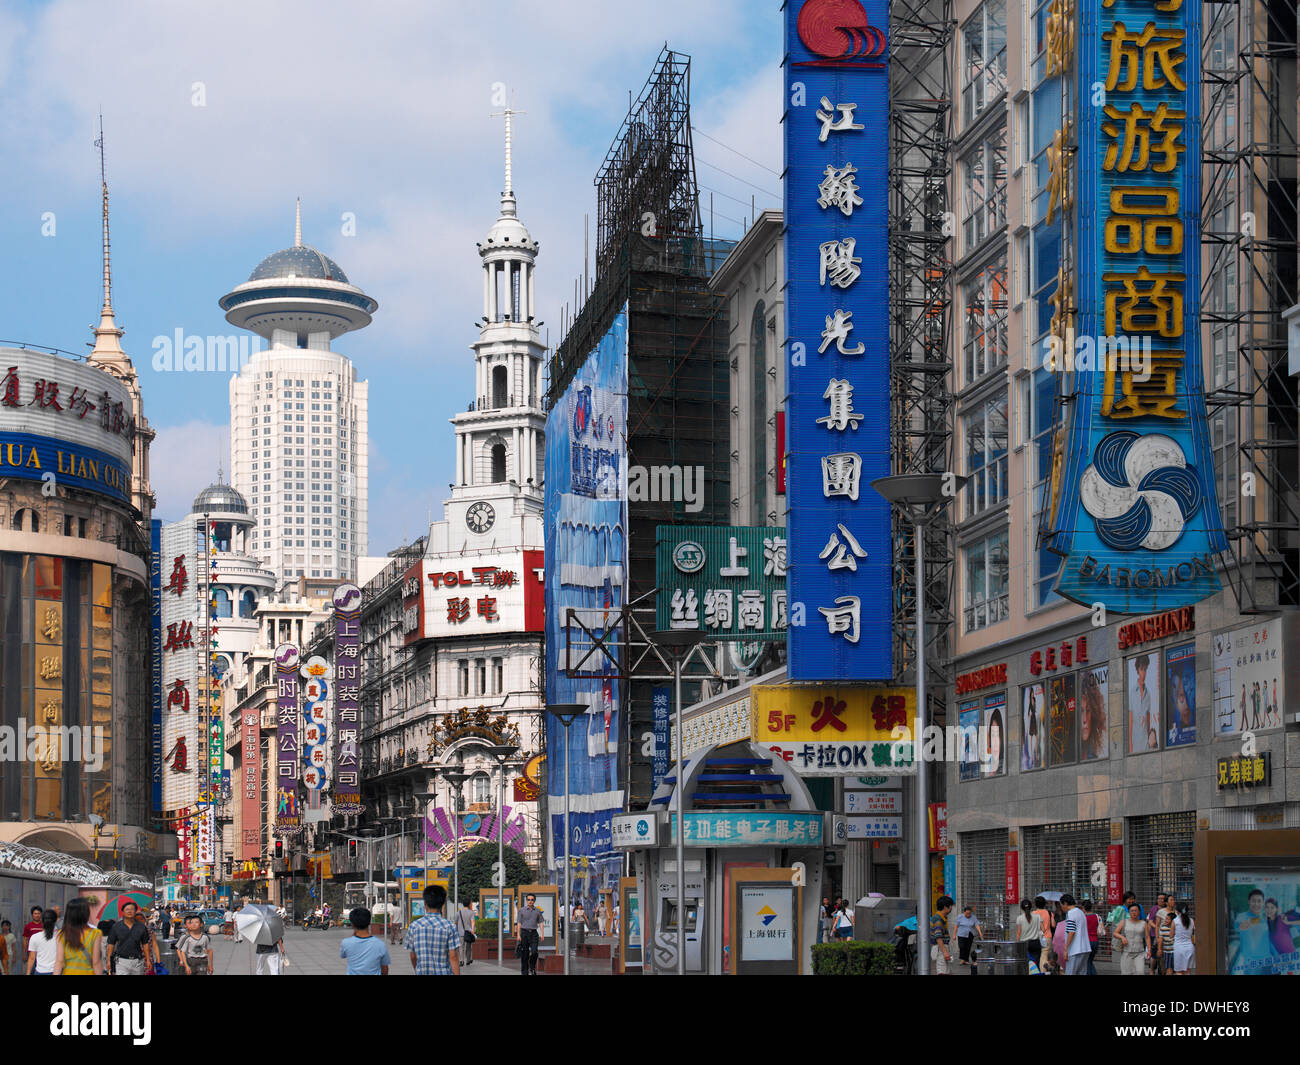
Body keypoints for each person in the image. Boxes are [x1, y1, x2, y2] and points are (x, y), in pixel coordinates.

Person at [404, 884, 461, 976]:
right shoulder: (450, 927)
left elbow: (413, 956)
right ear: (442, 904)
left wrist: (417, 969)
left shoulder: (414, 926)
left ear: (425, 903)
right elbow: (453, 956)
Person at [54, 898, 103, 976]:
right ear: (86, 913)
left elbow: (59, 961)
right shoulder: (95, 933)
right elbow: (96, 962)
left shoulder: (62, 933)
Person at [1230, 889, 1275, 975]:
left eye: (1259, 901)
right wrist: (1242, 925)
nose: (1256, 904)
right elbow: (1238, 926)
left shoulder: (1266, 919)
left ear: (1263, 903)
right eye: (1253, 901)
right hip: (1252, 964)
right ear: (1249, 902)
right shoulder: (1242, 916)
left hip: (1268, 962)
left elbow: (1269, 941)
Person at [106, 900, 153, 976]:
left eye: (132, 909)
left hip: (137, 961)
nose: (130, 911)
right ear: (123, 912)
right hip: (121, 961)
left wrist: (148, 960)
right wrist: (108, 960)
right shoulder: (116, 927)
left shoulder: (141, 927)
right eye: (127, 909)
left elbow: (145, 944)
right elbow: (111, 944)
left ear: (135, 912)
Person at [340, 907, 390, 975]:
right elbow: (385, 969)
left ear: (352, 924)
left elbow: (343, 955)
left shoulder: (346, 943)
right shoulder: (380, 944)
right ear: (369, 922)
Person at [1116, 902, 1151, 975]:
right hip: (1126, 952)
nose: (1134, 912)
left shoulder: (1143, 923)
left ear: (1139, 912)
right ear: (1129, 912)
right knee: (1126, 973)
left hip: (1139, 952)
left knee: (1140, 972)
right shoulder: (1124, 922)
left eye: (1136, 910)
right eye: (1132, 911)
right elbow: (1115, 933)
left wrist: (1149, 950)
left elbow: (1147, 937)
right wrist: (1122, 937)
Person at [1061, 894, 1091, 975]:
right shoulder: (1081, 912)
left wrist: (1066, 949)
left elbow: (1071, 932)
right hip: (1085, 948)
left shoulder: (1070, 914)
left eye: (1061, 905)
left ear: (1065, 904)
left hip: (1075, 950)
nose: (1061, 908)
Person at [516, 892, 544, 976]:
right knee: (525, 953)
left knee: (534, 952)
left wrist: (542, 934)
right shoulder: (521, 910)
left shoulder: (538, 911)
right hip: (524, 933)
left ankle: (532, 968)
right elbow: (519, 923)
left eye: (532, 900)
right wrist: (518, 934)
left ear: (534, 901)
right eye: (528, 900)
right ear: (526, 900)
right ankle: (524, 971)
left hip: (534, 934)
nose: (530, 901)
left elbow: (541, 922)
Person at [25, 909, 58, 975]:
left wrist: (28, 973)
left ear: (42, 921)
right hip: (56, 971)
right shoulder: (60, 937)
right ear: (55, 921)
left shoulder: (35, 937)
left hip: (40, 971)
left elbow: (32, 958)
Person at [1015, 899, 1044, 974]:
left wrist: (1017, 944)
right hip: (1036, 943)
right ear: (1031, 907)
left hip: (1024, 944)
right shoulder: (1037, 917)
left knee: (1025, 964)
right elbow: (1043, 929)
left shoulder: (1020, 918)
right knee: (1036, 964)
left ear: (1022, 908)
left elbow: (1018, 933)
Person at [930, 896, 954, 974]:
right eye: (950, 906)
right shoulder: (938, 919)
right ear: (945, 907)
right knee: (942, 972)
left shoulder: (941, 918)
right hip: (940, 948)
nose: (951, 908)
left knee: (945, 971)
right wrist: (945, 952)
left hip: (941, 948)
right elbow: (938, 937)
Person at [1031, 896, 1054, 972]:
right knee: (1044, 956)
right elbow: (1053, 925)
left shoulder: (1032, 914)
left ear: (1035, 904)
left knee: (1036, 956)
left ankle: (1036, 971)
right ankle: (1044, 972)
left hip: (1035, 938)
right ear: (1044, 904)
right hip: (1047, 937)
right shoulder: (1049, 913)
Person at [1171, 904, 1195, 975]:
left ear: (1177, 911)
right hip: (1190, 948)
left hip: (1179, 948)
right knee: (1187, 970)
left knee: (1179, 971)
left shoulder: (1175, 921)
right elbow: (1193, 932)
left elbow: (1171, 935)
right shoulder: (1191, 920)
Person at [454, 899, 476, 966]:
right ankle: (468, 960)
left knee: (461, 947)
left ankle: (461, 960)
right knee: (468, 946)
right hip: (469, 932)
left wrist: (456, 930)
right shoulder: (471, 912)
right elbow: (473, 921)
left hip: (460, 932)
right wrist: (472, 930)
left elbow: (455, 922)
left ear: (463, 904)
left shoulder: (458, 912)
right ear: (469, 904)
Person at [1082, 899, 1100, 976]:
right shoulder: (1097, 916)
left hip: (1086, 942)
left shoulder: (1083, 918)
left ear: (1083, 908)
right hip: (1095, 941)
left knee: (1087, 962)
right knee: (1089, 960)